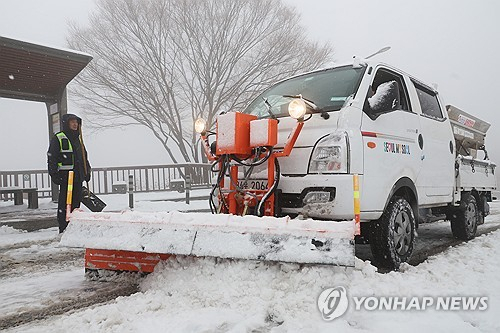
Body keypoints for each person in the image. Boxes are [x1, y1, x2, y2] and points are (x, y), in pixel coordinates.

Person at [47, 114, 91, 233]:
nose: (75, 124)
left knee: (76, 202)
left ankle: (74, 225)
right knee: (65, 203)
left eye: (76, 122)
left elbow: (84, 157)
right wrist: (54, 174)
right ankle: (64, 226)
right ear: (66, 123)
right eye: (72, 122)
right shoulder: (59, 138)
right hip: (65, 177)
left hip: (78, 176)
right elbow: (52, 158)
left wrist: (87, 171)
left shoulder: (79, 139)